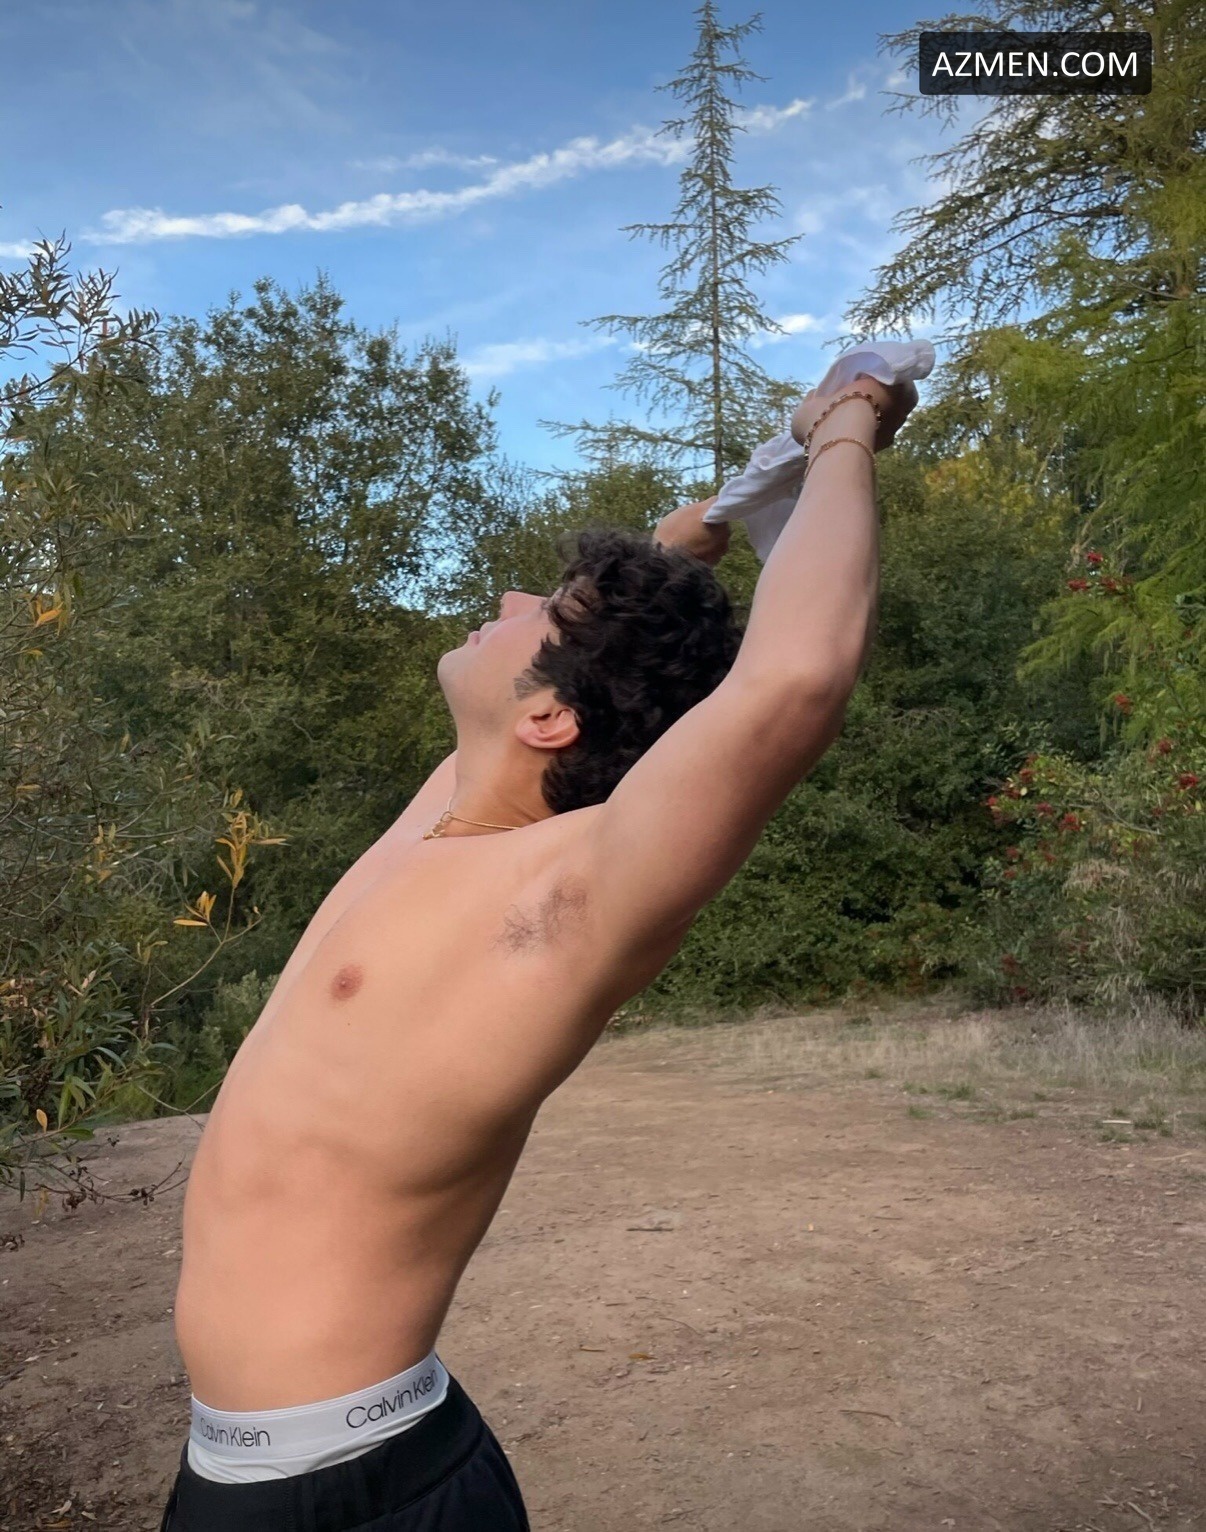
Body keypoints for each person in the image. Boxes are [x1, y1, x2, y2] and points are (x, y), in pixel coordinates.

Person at [158, 368, 918, 1531]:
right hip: (231, 1477)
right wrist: (692, 532)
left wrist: (844, 426)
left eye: (542, 606)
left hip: (360, 1492)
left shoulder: (567, 891)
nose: (510, 593)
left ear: (550, 716)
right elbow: (604, 650)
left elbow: (795, 680)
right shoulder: (439, 822)